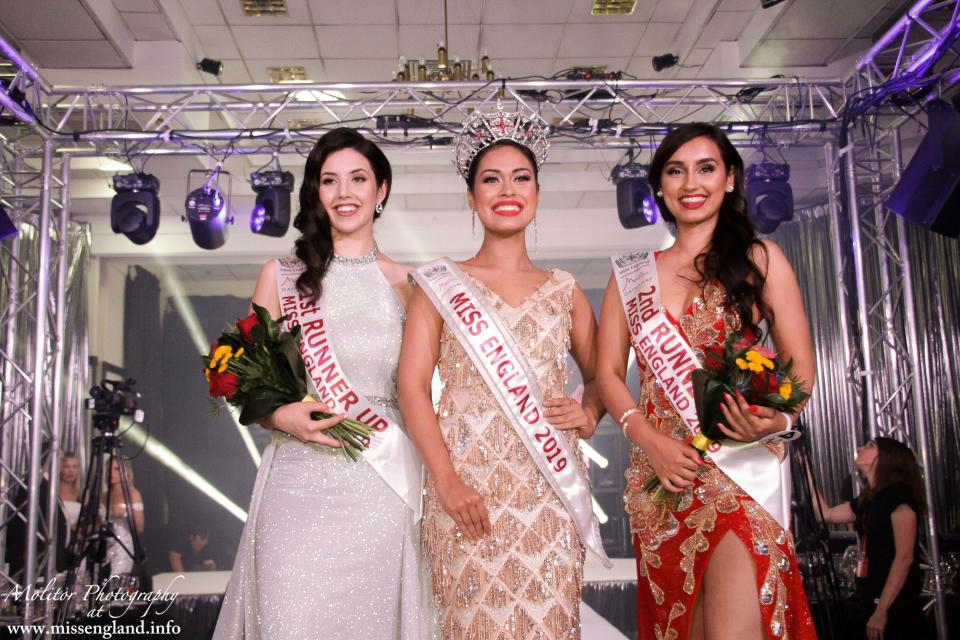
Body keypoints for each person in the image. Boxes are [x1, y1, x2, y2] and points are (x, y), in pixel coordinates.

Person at [596, 123, 817, 640]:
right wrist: (650, 442)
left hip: (737, 470)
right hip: (662, 478)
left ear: (731, 179)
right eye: (675, 171)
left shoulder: (760, 260)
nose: (690, 183)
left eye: (706, 168)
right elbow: (607, 374)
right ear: (659, 188)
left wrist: (777, 418)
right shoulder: (630, 275)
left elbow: (799, 367)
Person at [213, 128, 436, 640]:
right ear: (315, 192)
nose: (344, 193)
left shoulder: (411, 284)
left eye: (358, 179)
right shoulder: (282, 276)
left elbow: (427, 388)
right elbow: (246, 377)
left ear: (381, 190)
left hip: (381, 484)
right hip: (297, 482)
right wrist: (280, 414)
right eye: (329, 181)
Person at [398, 103, 608, 639]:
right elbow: (412, 389)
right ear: (472, 198)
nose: (507, 190)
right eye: (491, 179)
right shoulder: (437, 286)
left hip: (547, 492)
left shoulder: (565, 290)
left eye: (521, 178)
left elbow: (604, 373)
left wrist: (587, 414)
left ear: (536, 192)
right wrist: (445, 481)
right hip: (467, 491)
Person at [806, 437, 929, 640]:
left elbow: (904, 558)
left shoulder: (900, 498)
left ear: (886, 458)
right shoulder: (870, 499)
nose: (860, 448)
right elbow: (826, 515)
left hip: (895, 609)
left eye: (870, 446)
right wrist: (807, 471)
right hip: (871, 598)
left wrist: (882, 611)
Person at [105, 456, 144, 577]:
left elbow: (140, 527)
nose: (112, 473)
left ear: (126, 471)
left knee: (118, 585)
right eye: (109, 469)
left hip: (123, 547)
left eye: (117, 469)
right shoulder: (104, 495)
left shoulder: (133, 494)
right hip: (105, 548)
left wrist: (125, 514)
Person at [59, 451, 83, 535]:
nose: (71, 471)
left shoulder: (82, 494)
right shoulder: (52, 493)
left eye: (74, 466)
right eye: (66, 467)